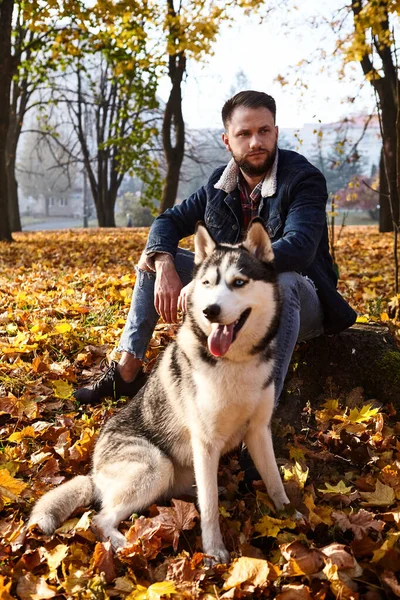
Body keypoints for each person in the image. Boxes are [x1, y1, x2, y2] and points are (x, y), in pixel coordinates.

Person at [74, 90, 357, 405]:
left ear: (276, 132)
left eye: (264, 131)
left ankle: (260, 413)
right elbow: (167, 221)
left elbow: (300, 247)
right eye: (244, 134)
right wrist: (165, 264)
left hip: (302, 303)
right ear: (227, 141)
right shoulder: (218, 185)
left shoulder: (303, 179)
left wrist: (214, 273)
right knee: (152, 260)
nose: (255, 142)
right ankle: (126, 370)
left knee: (284, 280)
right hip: (236, 300)